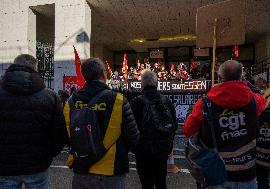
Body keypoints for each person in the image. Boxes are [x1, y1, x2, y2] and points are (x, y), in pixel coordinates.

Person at [184, 60, 267, 188]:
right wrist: (245, 84)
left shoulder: (204, 103)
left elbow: (188, 131)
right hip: (247, 174)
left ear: (219, 78)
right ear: (242, 77)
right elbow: (263, 99)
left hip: (216, 173)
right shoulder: (254, 100)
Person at [63, 58, 139, 189]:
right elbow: (133, 138)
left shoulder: (70, 102)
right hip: (111, 170)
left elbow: (66, 136)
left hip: (81, 168)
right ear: (104, 74)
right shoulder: (118, 100)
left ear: (84, 76)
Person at [0, 54, 67, 189]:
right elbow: (60, 133)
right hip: (37, 164)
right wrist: (48, 154)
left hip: (4, 165)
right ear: (35, 69)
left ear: (13, 66)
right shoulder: (50, 96)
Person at [130, 70, 178, 189]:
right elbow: (174, 125)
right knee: (161, 183)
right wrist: (168, 145)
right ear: (156, 83)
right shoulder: (166, 101)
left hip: (143, 151)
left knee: (147, 184)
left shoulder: (137, 102)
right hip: (162, 150)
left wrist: (135, 148)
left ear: (142, 84)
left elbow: (129, 128)